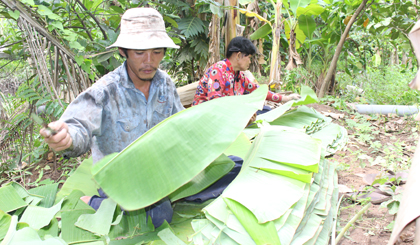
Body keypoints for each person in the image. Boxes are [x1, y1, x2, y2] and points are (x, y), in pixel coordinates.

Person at [40, 8, 184, 227]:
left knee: (230, 168)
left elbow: (183, 124)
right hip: (120, 180)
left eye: (156, 52)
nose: (149, 61)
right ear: (123, 51)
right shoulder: (105, 91)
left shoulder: (165, 85)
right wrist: (67, 138)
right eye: (139, 52)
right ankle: (96, 202)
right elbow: (78, 126)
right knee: (158, 216)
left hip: (158, 172)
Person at [192, 36, 300, 108]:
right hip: (206, 119)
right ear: (238, 55)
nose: (250, 61)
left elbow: (257, 90)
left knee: (266, 110)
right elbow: (215, 104)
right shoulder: (218, 71)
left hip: (228, 116)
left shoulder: (239, 76)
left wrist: (286, 98)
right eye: (249, 57)